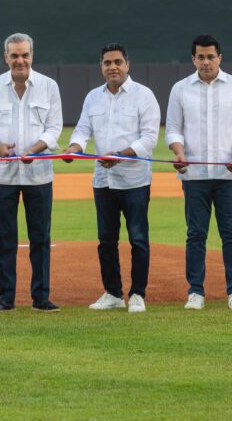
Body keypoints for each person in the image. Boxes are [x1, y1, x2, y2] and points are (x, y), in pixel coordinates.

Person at [64, 43, 160, 313]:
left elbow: (150, 138)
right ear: (101, 67)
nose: (113, 67)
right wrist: (74, 148)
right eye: (107, 63)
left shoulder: (144, 95)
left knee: (138, 238)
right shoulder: (93, 97)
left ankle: (138, 294)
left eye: (118, 62)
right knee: (106, 240)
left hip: (134, 180)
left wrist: (121, 155)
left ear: (128, 64)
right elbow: (82, 130)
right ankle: (113, 293)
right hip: (103, 180)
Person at [0, 32, 63, 313]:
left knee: (40, 237)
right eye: (14, 55)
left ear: (32, 56)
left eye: (24, 55)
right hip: (2, 175)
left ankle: (41, 298)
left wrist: (36, 148)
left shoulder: (48, 86)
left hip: (39, 174)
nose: (19, 60)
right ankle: (6, 298)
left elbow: (54, 127)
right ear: (6, 57)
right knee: (4, 238)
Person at [166, 34, 232, 310]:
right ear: (193, 59)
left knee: (231, 233)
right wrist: (178, 152)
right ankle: (195, 291)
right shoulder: (180, 89)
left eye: (210, 56)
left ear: (220, 58)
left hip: (228, 174)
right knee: (195, 234)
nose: (206, 62)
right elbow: (173, 128)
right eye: (200, 57)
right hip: (194, 175)